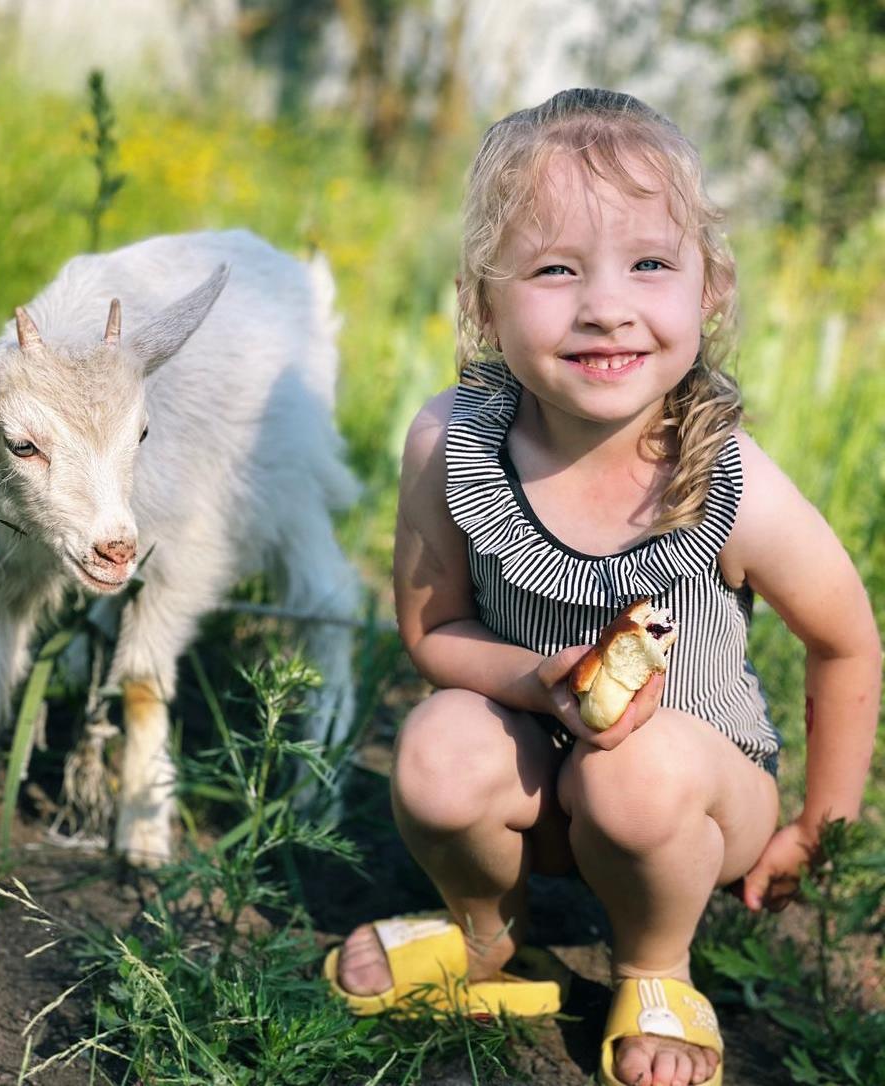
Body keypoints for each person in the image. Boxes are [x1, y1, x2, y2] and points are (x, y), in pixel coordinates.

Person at [324, 88, 881, 1086]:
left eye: (650, 264)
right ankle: (486, 936)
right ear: (482, 302)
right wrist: (538, 682)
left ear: (711, 287)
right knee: (437, 748)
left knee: (636, 772)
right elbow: (436, 628)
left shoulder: (730, 484)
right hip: (540, 772)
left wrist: (815, 829)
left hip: (696, 797)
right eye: (554, 269)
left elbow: (845, 641)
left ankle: (656, 966)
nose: (606, 306)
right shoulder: (451, 444)